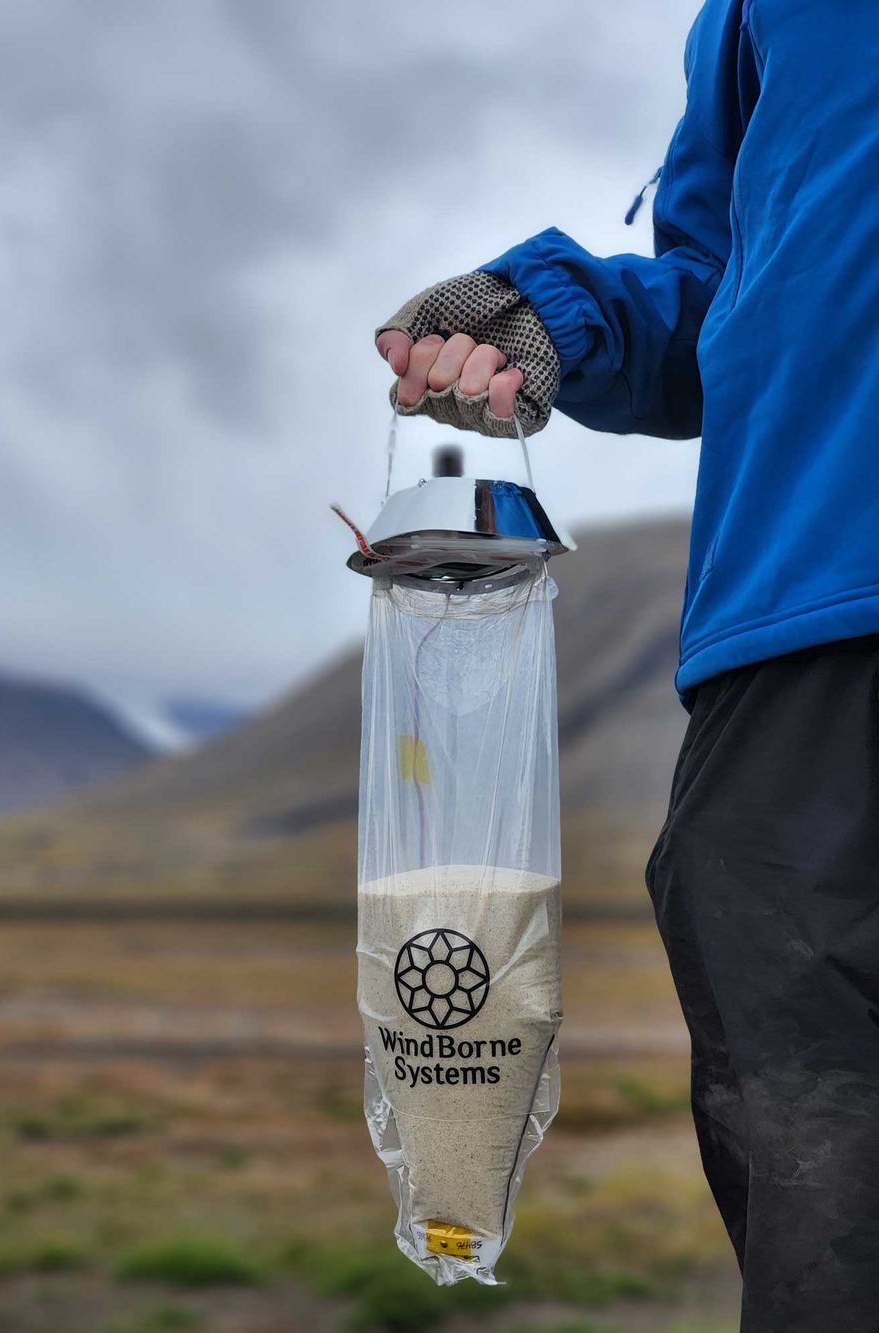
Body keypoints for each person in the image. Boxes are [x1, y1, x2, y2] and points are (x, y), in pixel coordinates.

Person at [374, 2, 879, 1329]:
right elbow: (735, 287)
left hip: (806, 633)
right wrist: (555, 313)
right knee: (831, 1231)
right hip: (809, 645)